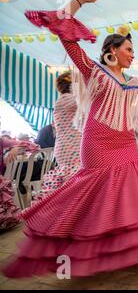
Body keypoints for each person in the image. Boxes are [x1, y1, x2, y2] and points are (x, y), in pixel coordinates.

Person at [2, 0, 138, 278]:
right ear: (112, 51)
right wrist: (78, 0)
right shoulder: (95, 71)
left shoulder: (134, 80)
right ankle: (71, 243)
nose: (133, 54)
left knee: (129, 191)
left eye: (133, 50)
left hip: (125, 141)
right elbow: (65, 32)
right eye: (128, 49)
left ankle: (128, 247)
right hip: (98, 141)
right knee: (94, 195)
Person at [34, 71, 83, 200]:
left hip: (67, 146)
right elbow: (87, 101)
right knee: (75, 182)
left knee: (74, 181)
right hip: (71, 147)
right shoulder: (67, 99)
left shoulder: (62, 100)